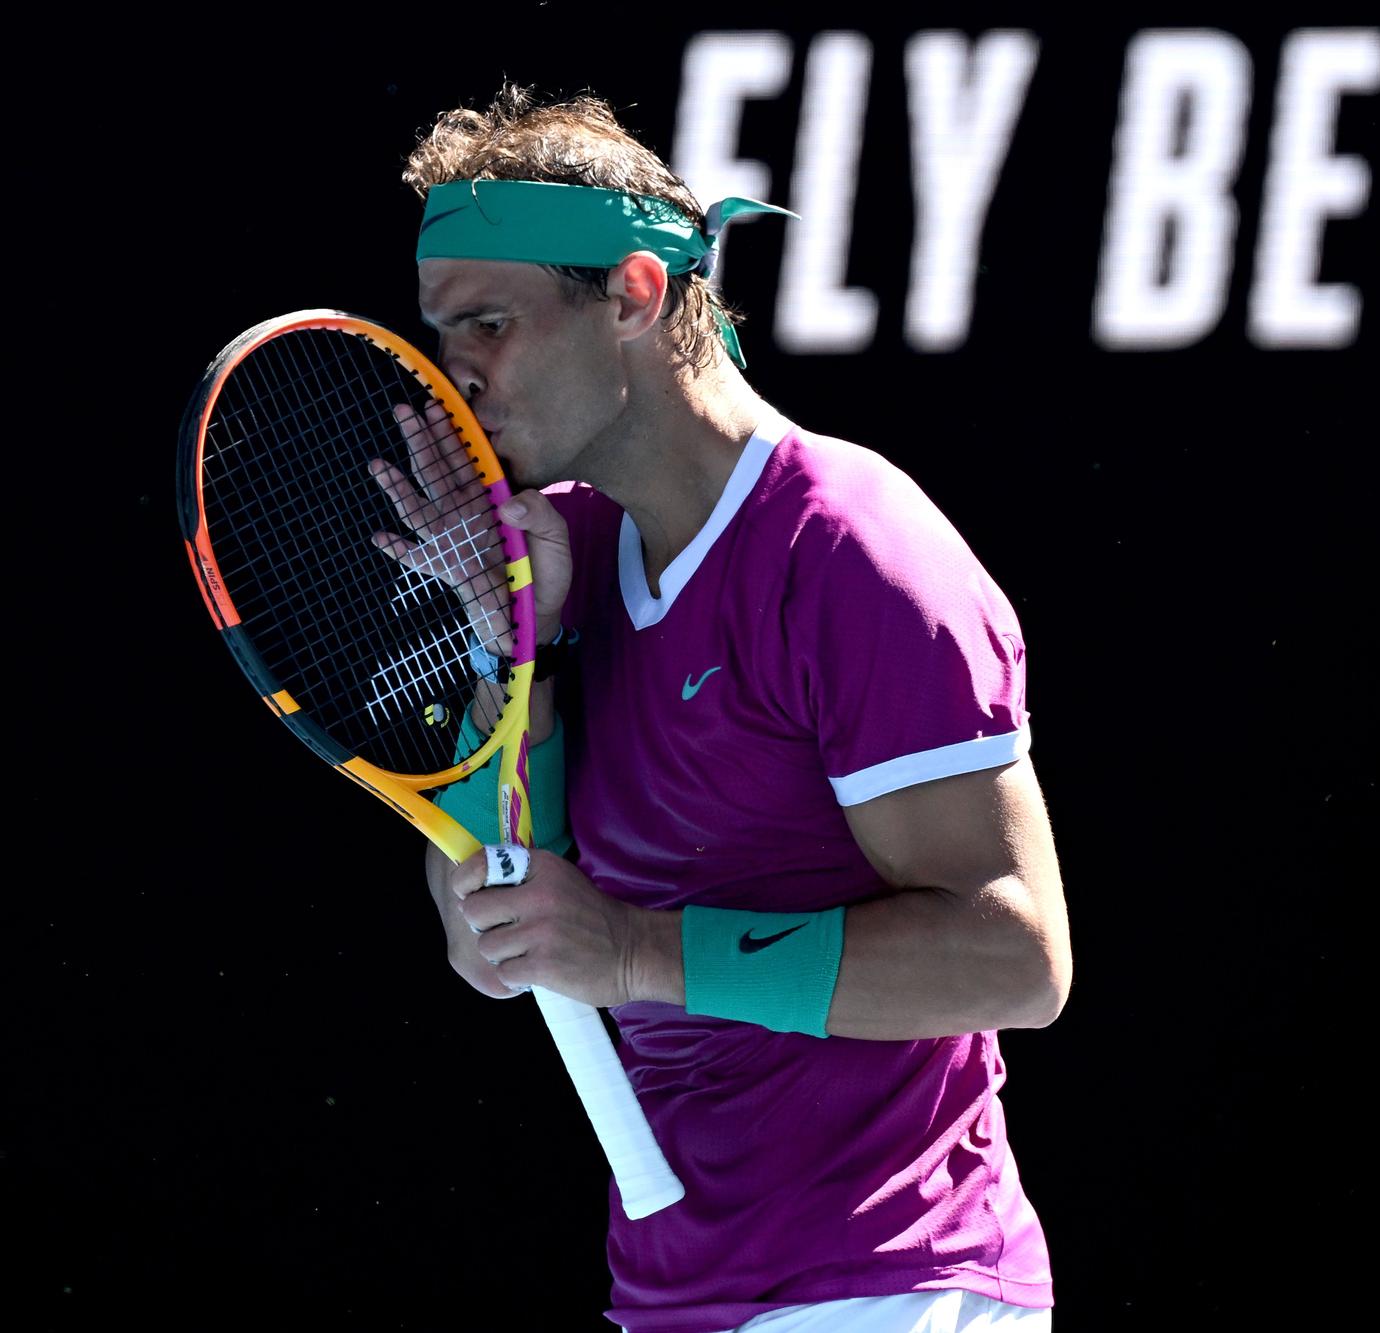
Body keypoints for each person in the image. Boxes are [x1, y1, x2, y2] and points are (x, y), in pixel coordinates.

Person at [390, 84, 1070, 1333]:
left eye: (487, 323)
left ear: (636, 296)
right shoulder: (564, 556)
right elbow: (488, 938)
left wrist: (639, 950)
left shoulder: (853, 553)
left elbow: (1016, 959)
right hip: (671, 1297)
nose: (456, 378)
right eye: (442, 336)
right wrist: (515, 666)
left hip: (892, 1288)